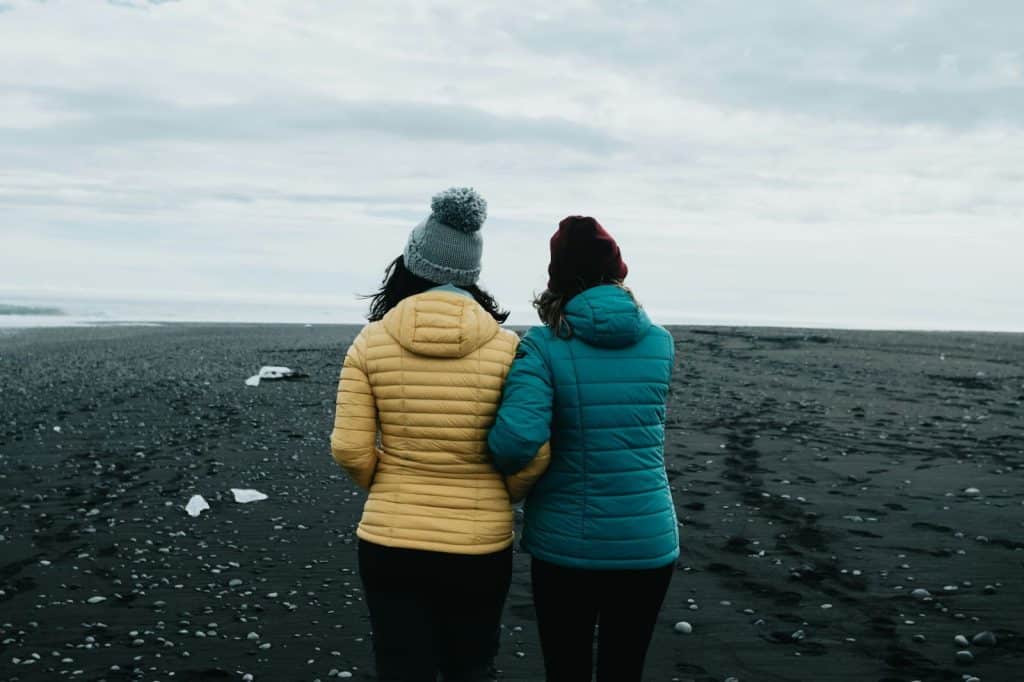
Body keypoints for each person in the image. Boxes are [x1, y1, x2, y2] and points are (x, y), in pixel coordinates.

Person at [330, 187, 549, 682]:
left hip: (389, 538)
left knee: (400, 664)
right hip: (479, 542)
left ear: (412, 264)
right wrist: (499, 491)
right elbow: (533, 451)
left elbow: (348, 447)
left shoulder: (370, 341)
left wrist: (388, 486)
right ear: (472, 274)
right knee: (471, 665)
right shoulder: (510, 348)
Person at [487, 215, 679, 682]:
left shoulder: (543, 346)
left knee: (566, 669)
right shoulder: (660, 343)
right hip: (649, 539)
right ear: (619, 273)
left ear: (557, 279)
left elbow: (516, 442)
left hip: (567, 545)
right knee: (623, 668)